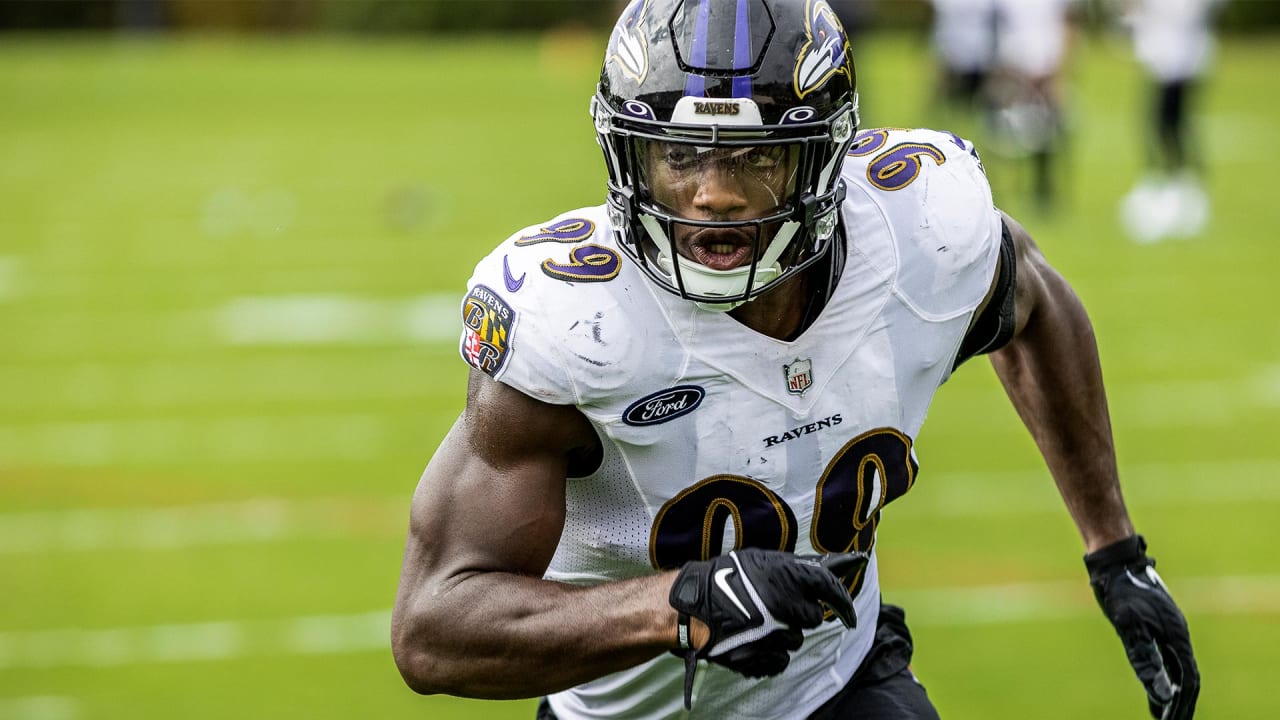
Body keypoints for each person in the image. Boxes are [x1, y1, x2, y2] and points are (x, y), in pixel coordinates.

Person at [391, 1, 1200, 718]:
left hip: (838, 681)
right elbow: (433, 627)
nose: (713, 193)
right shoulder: (578, 321)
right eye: (679, 156)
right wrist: (679, 605)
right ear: (628, 156)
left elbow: (1036, 305)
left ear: (825, 157)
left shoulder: (918, 230)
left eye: (753, 157)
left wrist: (1115, 551)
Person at [1117, 0, 1223, 243]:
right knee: (1159, 125)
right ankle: (1171, 181)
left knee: (1172, 124)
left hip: (1182, 59)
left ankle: (1184, 185)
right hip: (1164, 58)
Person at [985, 0, 1079, 210]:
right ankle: (993, 191)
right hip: (1011, 69)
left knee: (1046, 133)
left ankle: (1043, 190)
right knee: (1001, 135)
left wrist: (1060, 74)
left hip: (1046, 69)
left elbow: (1069, 25)